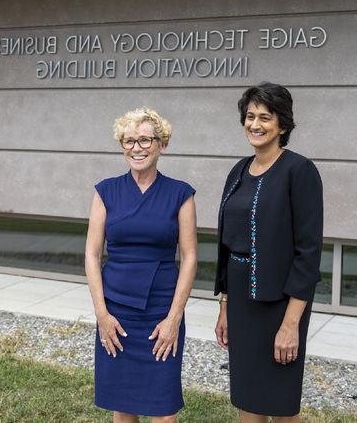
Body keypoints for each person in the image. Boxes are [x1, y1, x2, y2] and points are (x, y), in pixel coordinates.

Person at [214, 82, 323, 422]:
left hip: (281, 304)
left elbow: (308, 252)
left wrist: (291, 324)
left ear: (283, 125)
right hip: (243, 302)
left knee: (279, 399)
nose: (255, 124)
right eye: (250, 116)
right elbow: (228, 243)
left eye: (265, 117)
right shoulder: (238, 171)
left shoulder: (299, 171)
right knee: (249, 393)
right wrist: (225, 306)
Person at [85, 107, 198, 422]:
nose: (137, 147)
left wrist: (174, 318)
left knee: (164, 410)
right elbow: (92, 255)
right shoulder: (105, 191)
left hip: (161, 313)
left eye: (145, 140)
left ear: (161, 145)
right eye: (129, 140)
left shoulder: (181, 194)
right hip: (116, 313)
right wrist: (102, 315)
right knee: (124, 405)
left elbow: (189, 257)